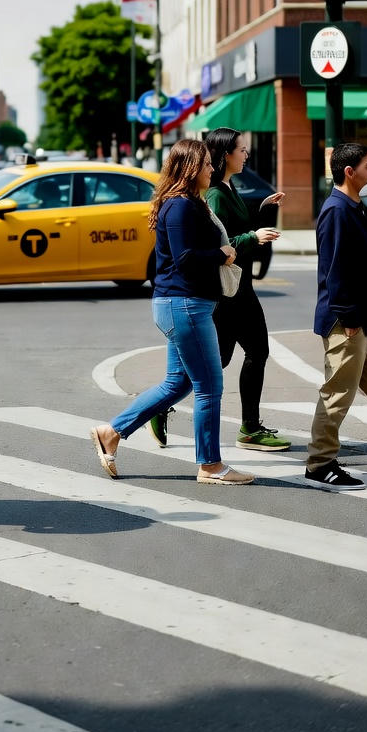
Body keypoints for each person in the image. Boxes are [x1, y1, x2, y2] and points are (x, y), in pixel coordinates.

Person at [89, 139, 254, 486]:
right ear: (191, 168)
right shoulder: (179, 207)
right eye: (207, 164)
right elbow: (185, 258)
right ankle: (210, 465)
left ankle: (111, 431)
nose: (212, 168)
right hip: (184, 305)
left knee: (177, 383)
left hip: (184, 305)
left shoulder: (188, 204)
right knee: (209, 386)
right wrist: (222, 253)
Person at [147, 128, 289, 452]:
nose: (246, 155)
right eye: (242, 149)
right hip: (229, 293)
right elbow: (223, 245)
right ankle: (247, 429)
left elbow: (234, 229)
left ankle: (169, 406)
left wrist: (263, 211)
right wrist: (253, 237)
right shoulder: (214, 194)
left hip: (239, 286)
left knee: (228, 359)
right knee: (234, 359)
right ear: (226, 154)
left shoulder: (227, 187)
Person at [305, 142, 367, 491]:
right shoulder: (336, 210)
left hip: (363, 317)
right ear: (350, 171)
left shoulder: (356, 206)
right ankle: (320, 463)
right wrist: (348, 318)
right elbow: (336, 271)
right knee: (337, 393)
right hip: (346, 320)